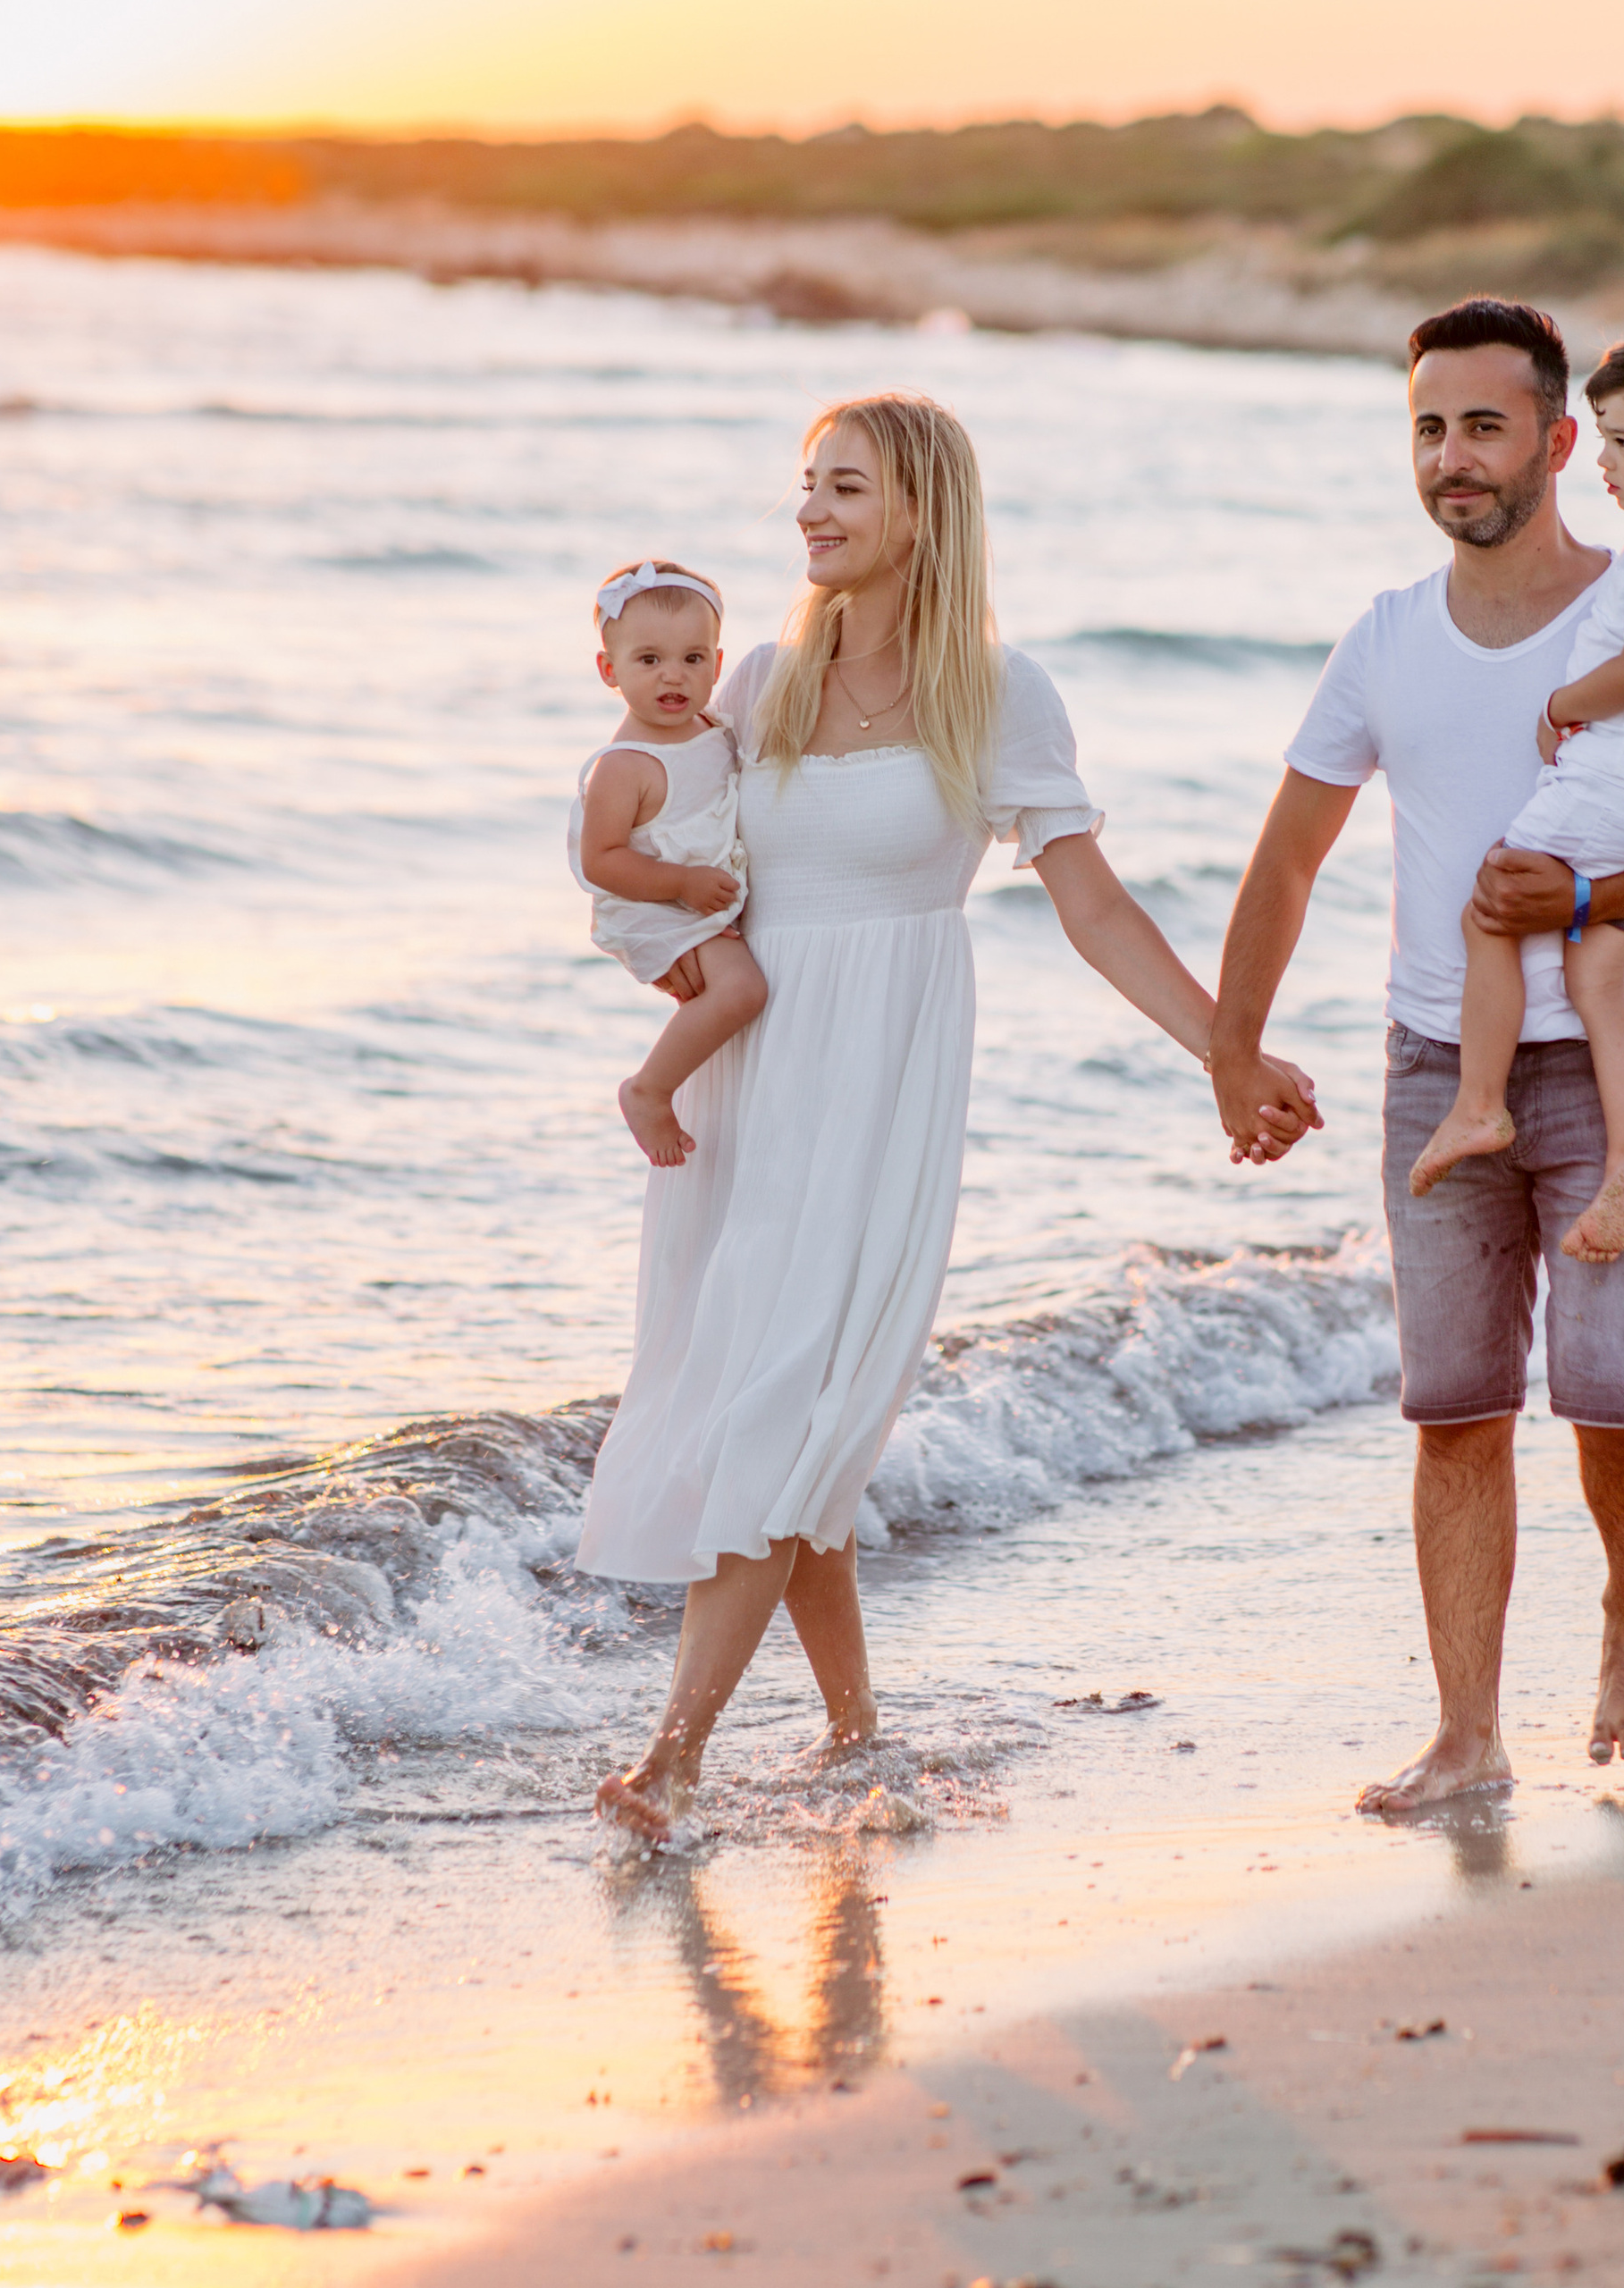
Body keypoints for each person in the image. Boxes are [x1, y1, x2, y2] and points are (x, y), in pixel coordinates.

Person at [581, 391, 1312, 1840]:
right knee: (780, 1405)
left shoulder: (1000, 692)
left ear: (920, 508)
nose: (811, 513)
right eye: (806, 486)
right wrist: (663, 979)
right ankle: (856, 1731)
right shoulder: (756, 684)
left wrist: (1226, 1050)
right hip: (752, 1084)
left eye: (843, 488)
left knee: (796, 1399)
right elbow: (648, 843)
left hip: (884, 1079)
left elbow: (1092, 907)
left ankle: (673, 1760)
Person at [1208, 299, 1624, 1812]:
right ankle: (1467, 1737)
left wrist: (1596, 897)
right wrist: (1232, 1047)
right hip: (1434, 1063)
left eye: (1482, 425)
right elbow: (1285, 863)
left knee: (1612, 1385)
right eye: (1425, 427)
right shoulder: (1384, 639)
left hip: (1613, 1054)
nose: (1450, 457)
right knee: (1453, 1405)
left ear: (1551, 438)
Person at [1409, 317, 1624, 1264]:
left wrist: (1564, 704)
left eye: (1620, 441)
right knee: (1595, 973)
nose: (1599, 461)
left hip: (1612, 789)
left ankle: (1478, 1105)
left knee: (1491, 911)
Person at [569, 559, 766, 1168]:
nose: (672, 677)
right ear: (610, 670)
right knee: (741, 990)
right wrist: (681, 884)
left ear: (718, 663)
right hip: (653, 902)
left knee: (734, 986)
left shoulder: (712, 726)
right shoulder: (623, 766)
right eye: (649, 660)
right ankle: (648, 1089)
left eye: (692, 659)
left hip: (693, 891)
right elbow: (601, 861)